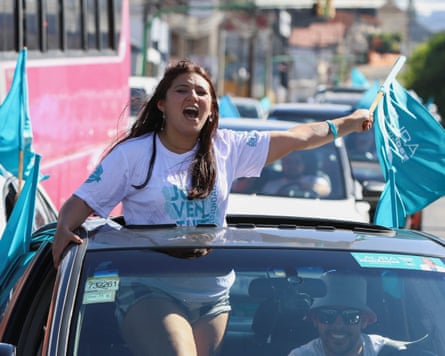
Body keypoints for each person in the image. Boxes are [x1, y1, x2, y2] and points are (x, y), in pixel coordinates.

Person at [52, 59, 373, 355]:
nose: (193, 96)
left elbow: (296, 138)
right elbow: (80, 204)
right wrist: (64, 230)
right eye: (182, 90)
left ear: (210, 108)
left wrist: (348, 122)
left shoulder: (227, 148)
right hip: (149, 290)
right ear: (162, 103)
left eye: (201, 92)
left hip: (214, 298)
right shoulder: (133, 155)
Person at [288, 271, 385, 356]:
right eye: (328, 315)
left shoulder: (390, 352)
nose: (338, 325)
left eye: (350, 316)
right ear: (315, 319)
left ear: (364, 321)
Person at [261, 150, 331, 197]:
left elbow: (325, 191)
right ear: (282, 164)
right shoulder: (271, 186)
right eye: (288, 162)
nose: (292, 166)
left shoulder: (316, 181)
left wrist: (312, 189)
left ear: (303, 165)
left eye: (297, 162)